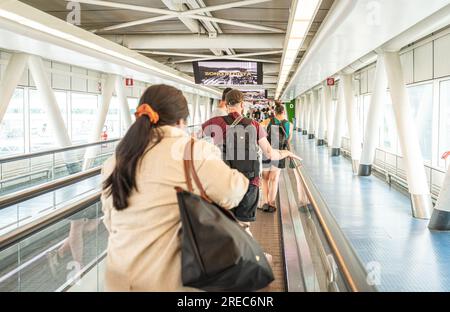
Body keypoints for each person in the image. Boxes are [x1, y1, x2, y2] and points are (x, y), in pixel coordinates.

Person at [100, 85, 249, 291]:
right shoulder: (192, 150)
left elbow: (110, 219)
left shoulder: (116, 159)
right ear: (181, 121)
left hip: (118, 279)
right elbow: (233, 192)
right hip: (167, 281)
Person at [201, 90, 301, 235]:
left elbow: (192, 139)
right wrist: (287, 152)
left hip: (223, 180)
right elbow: (270, 153)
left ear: (226, 104)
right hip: (249, 181)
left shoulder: (216, 122)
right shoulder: (254, 125)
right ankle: (249, 252)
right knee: (243, 225)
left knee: (225, 223)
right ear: (242, 104)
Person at [261, 102, 294, 213]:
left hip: (267, 152)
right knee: (274, 179)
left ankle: (265, 202)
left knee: (265, 178)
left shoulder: (268, 121)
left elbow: (260, 134)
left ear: (274, 112)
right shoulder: (289, 124)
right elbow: (288, 140)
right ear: (283, 112)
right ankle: (271, 202)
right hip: (279, 153)